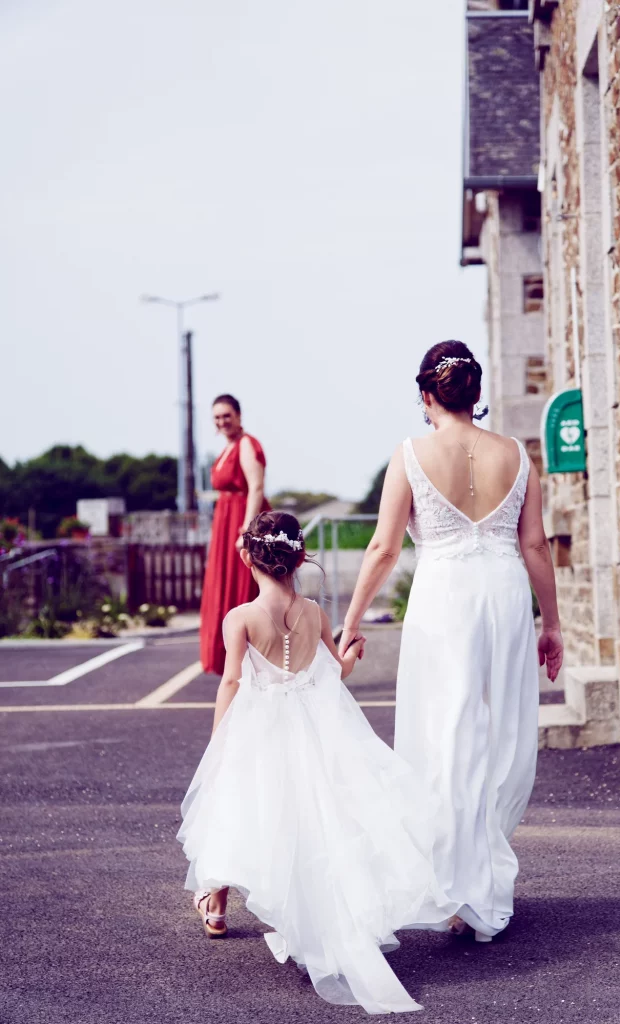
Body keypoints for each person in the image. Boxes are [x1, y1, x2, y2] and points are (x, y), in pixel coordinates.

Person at [178, 511, 455, 1014]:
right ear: (297, 557)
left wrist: (220, 738)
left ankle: (216, 903)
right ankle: (314, 903)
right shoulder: (314, 614)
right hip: (315, 728)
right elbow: (333, 674)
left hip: (260, 728)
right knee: (317, 817)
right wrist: (349, 658)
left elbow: (233, 682)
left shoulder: (239, 618)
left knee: (238, 806)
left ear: (248, 558)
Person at [340, 340, 563, 941]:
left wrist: (353, 621)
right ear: (475, 392)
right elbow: (536, 546)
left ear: (425, 395)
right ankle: (478, 878)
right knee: (499, 735)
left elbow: (385, 548)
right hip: (507, 597)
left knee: (443, 733)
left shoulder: (410, 454)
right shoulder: (517, 455)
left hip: (444, 601)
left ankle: (449, 881)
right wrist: (553, 624)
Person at [200, 394, 270, 675]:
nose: (222, 421)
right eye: (217, 417)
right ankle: (228, 661)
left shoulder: (246, 445)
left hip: (240, 520)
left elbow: (255, 487)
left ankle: (249, 662)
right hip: (224, 520)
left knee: (242, 587)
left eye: (227, 415)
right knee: (223, 586)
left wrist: (246, 530)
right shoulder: (228, 448)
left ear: (239, 415)